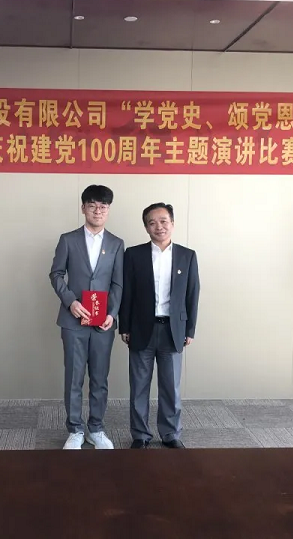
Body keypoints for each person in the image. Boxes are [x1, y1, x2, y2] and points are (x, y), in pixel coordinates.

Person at [119, 203, 200, 449]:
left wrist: (189, 329)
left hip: (172, 330)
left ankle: (170, 433)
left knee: (170, 387)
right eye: (152, 222)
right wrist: (124, 326)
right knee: (139, 386)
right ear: (146, 227)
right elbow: (127, 293)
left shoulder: (187, 255)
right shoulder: (133, 255)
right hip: (140, 328)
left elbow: (192, 294)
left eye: (164, 221)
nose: (159, 226)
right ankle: (140, 435)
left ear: (172, 223)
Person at [49, 185, 124, 450]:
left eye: (103, 207)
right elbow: (56, 274)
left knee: (100, 378)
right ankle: (75, 430)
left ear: (108, 210)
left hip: (103, 323)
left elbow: (118, 283)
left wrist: (112, 313)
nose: (97, 211)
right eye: (92, 205)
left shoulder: (116, 244)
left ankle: (96, 428)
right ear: (83, 208)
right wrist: (70, 301)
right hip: (73, 321)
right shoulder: (68, 240)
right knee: (74, 376)